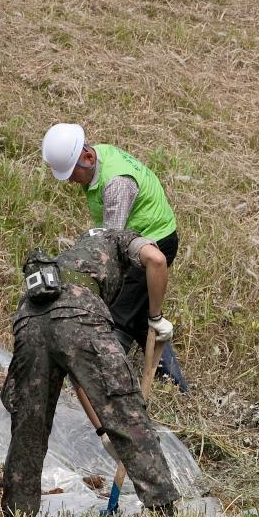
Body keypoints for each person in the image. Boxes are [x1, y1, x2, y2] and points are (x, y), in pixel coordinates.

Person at [2, 228, 180, 517]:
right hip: (79, 317)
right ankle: (164, 512)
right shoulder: (120, 237)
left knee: (28, 426)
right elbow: (157, 260)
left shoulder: (71, 258)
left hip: (29, 320)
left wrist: (102, 430)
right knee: (127, 414)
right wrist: (156, 317)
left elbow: (77, 373)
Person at [41, 123, 184, 387]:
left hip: (153, 245)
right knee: (139, 316)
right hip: (137, 240)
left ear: (87, 157)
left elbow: (112, 246)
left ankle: (108, 385)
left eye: (72, 173)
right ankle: (174, 381)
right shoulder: (98, 158)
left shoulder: (116, 184)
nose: (71, 180)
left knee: (117, 318)